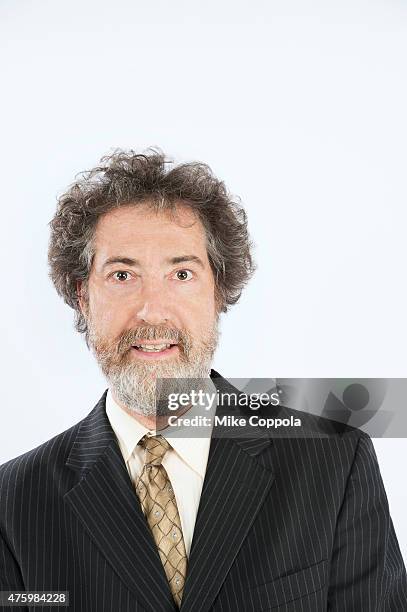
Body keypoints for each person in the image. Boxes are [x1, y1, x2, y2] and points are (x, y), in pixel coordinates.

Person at [0, 150, 405, 612]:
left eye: (182, 274)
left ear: (218, 291)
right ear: (82, 296)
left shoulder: (334, 461)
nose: (152, 310)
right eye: (122, 274)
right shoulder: (13, 503)